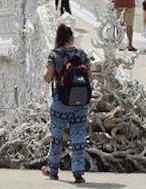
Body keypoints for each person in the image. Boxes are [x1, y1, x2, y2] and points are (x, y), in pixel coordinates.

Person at [42, 24, 91, 184]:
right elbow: (89, 77)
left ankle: (53, 169)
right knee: (78, 138)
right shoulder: (81, 54)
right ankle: (78, 172)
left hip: (60, 103)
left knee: (57, 138)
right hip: (80, 104)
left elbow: (48, 77)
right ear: (71, 38)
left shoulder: (54, 54)